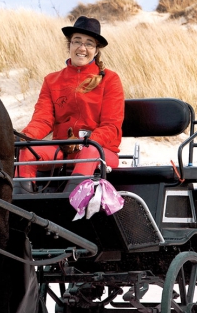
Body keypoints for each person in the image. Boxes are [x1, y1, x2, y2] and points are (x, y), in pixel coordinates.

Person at [15, 16, 125, 193]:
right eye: (77, 41)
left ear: (96, 50)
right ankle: (22, 209)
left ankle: (68, 206)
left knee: (88, 153)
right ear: (69, 45)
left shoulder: (110, 80)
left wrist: (83, 144)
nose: (82, 48)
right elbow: (42, 120)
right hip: (62, 150)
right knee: (26, 151)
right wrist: (24, 137)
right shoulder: (52, 81)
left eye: (89, 43)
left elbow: (111, 126)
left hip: (99, 151)